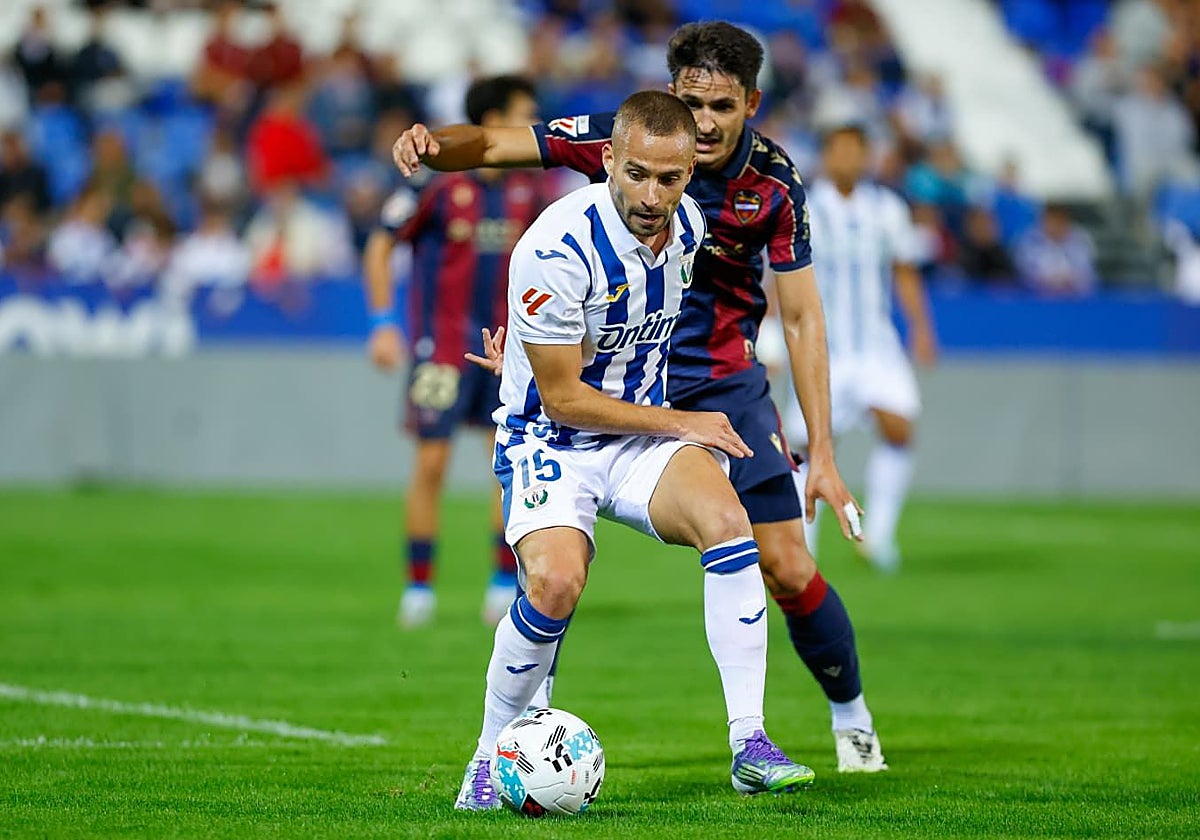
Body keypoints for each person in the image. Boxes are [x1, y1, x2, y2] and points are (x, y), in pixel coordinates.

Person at [395, 21, 887, 772]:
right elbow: (495, 145)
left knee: (784, 563)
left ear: (752, 102)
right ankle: (513, 745)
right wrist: (436, 147)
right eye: (692, 104)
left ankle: (845, 722)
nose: (705, 124)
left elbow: (801, 315)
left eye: (724, 107)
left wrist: (822, 450)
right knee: (553, 575)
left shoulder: (773, 185)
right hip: (607, 380)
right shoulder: (625, 143)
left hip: (717, 380)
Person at [455, 90, 814, 810]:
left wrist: (534, 352)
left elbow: (617, 338)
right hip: (551, 440)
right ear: (609, 160)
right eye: (638, 174)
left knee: (727, 521)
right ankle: (489, 759)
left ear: (689, 174)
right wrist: (684, 422)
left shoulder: (688, 228)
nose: (654, 195)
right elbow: (562, 399)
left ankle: (750, 741)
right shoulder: (555, 248)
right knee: (556, 584)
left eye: (671, 178)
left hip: (636, 437)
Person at [364, 76, 546, 628]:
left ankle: (499, 584)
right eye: (523, 115)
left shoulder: (531, 192)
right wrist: (381, 324)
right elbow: (379, 243)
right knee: (432, 463)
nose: (532, 128)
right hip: (441, 350)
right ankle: (418, 589)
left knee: (509, 466)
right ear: (492, 121)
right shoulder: (436, 185)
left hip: (508, 355)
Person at [782, 124, 938, 574]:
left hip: (875, 346)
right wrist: (771, 329)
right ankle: (804, 546)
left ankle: (879, 538)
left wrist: (922, 328)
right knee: (804, 445)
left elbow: (904, 270)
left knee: (899, 428)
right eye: (840, 150)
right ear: (826, 156)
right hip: (821, 347)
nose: (848, 159)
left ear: (867, 157)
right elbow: (780, 275)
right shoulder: (806, 206)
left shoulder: (888, 209)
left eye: (856, 151)